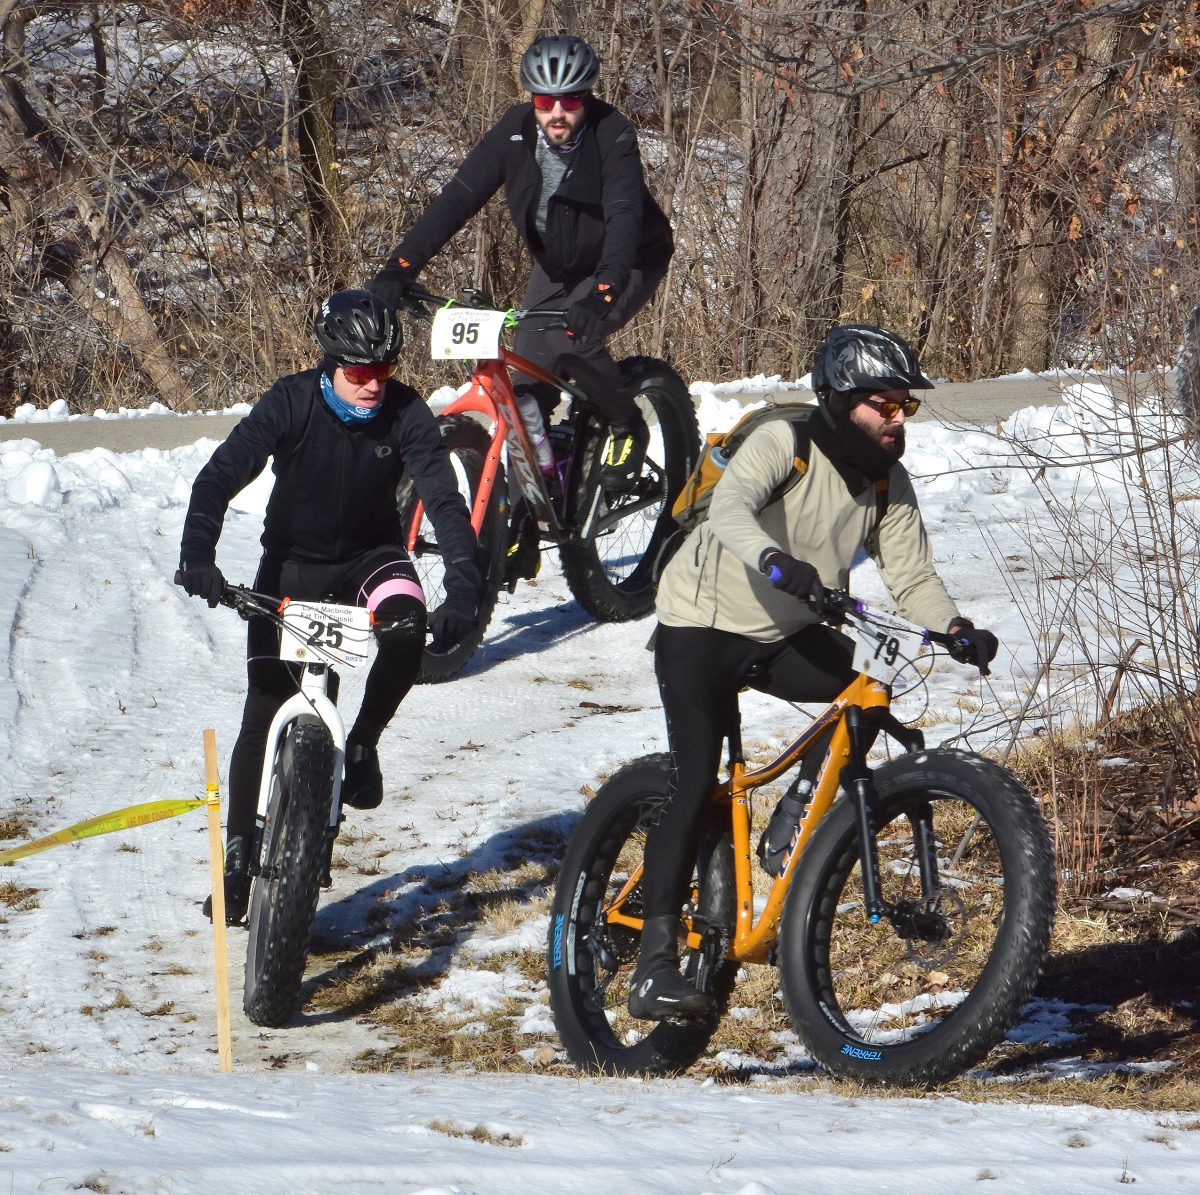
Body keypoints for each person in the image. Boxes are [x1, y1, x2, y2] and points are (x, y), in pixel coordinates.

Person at [628, 324, 1000, 1020]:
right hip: (700, 623)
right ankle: (651, 968)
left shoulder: (888, 481)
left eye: (905, 408)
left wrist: (953, 628)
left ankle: (795, 810)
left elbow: (911, 572)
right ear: (839, 400)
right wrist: (777, 562)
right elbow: (734, 509)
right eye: (884, 406)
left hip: (787, 632)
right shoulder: (786, 444)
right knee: (693, 778)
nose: (897, 421)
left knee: (874, 683)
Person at [175, 289, 481, 924]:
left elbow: (445, 500)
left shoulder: (406, 413)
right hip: (293, 566)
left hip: (372, 557)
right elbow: (219, 476)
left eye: (384, 371)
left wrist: (466, 587)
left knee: (406, 625)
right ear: (331, 364)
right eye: (359, 373)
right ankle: (239, 853)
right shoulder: (291, 401)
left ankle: (362, 744)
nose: (373, 385)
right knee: (263, 708)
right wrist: (198, 555)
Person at [368, 33, 674, 512]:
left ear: (586, 97)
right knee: (526, 391)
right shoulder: (514, 131)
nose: (557, 113)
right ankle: (530, 514)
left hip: (630, 257)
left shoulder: (612, 133)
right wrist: (399, 267)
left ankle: (624, 423)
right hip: (559, 265)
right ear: (532, 98)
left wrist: (606, 293)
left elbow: (623, 215)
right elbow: (457, 199)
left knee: (575, 338)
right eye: (546, 100)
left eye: (570, 100)